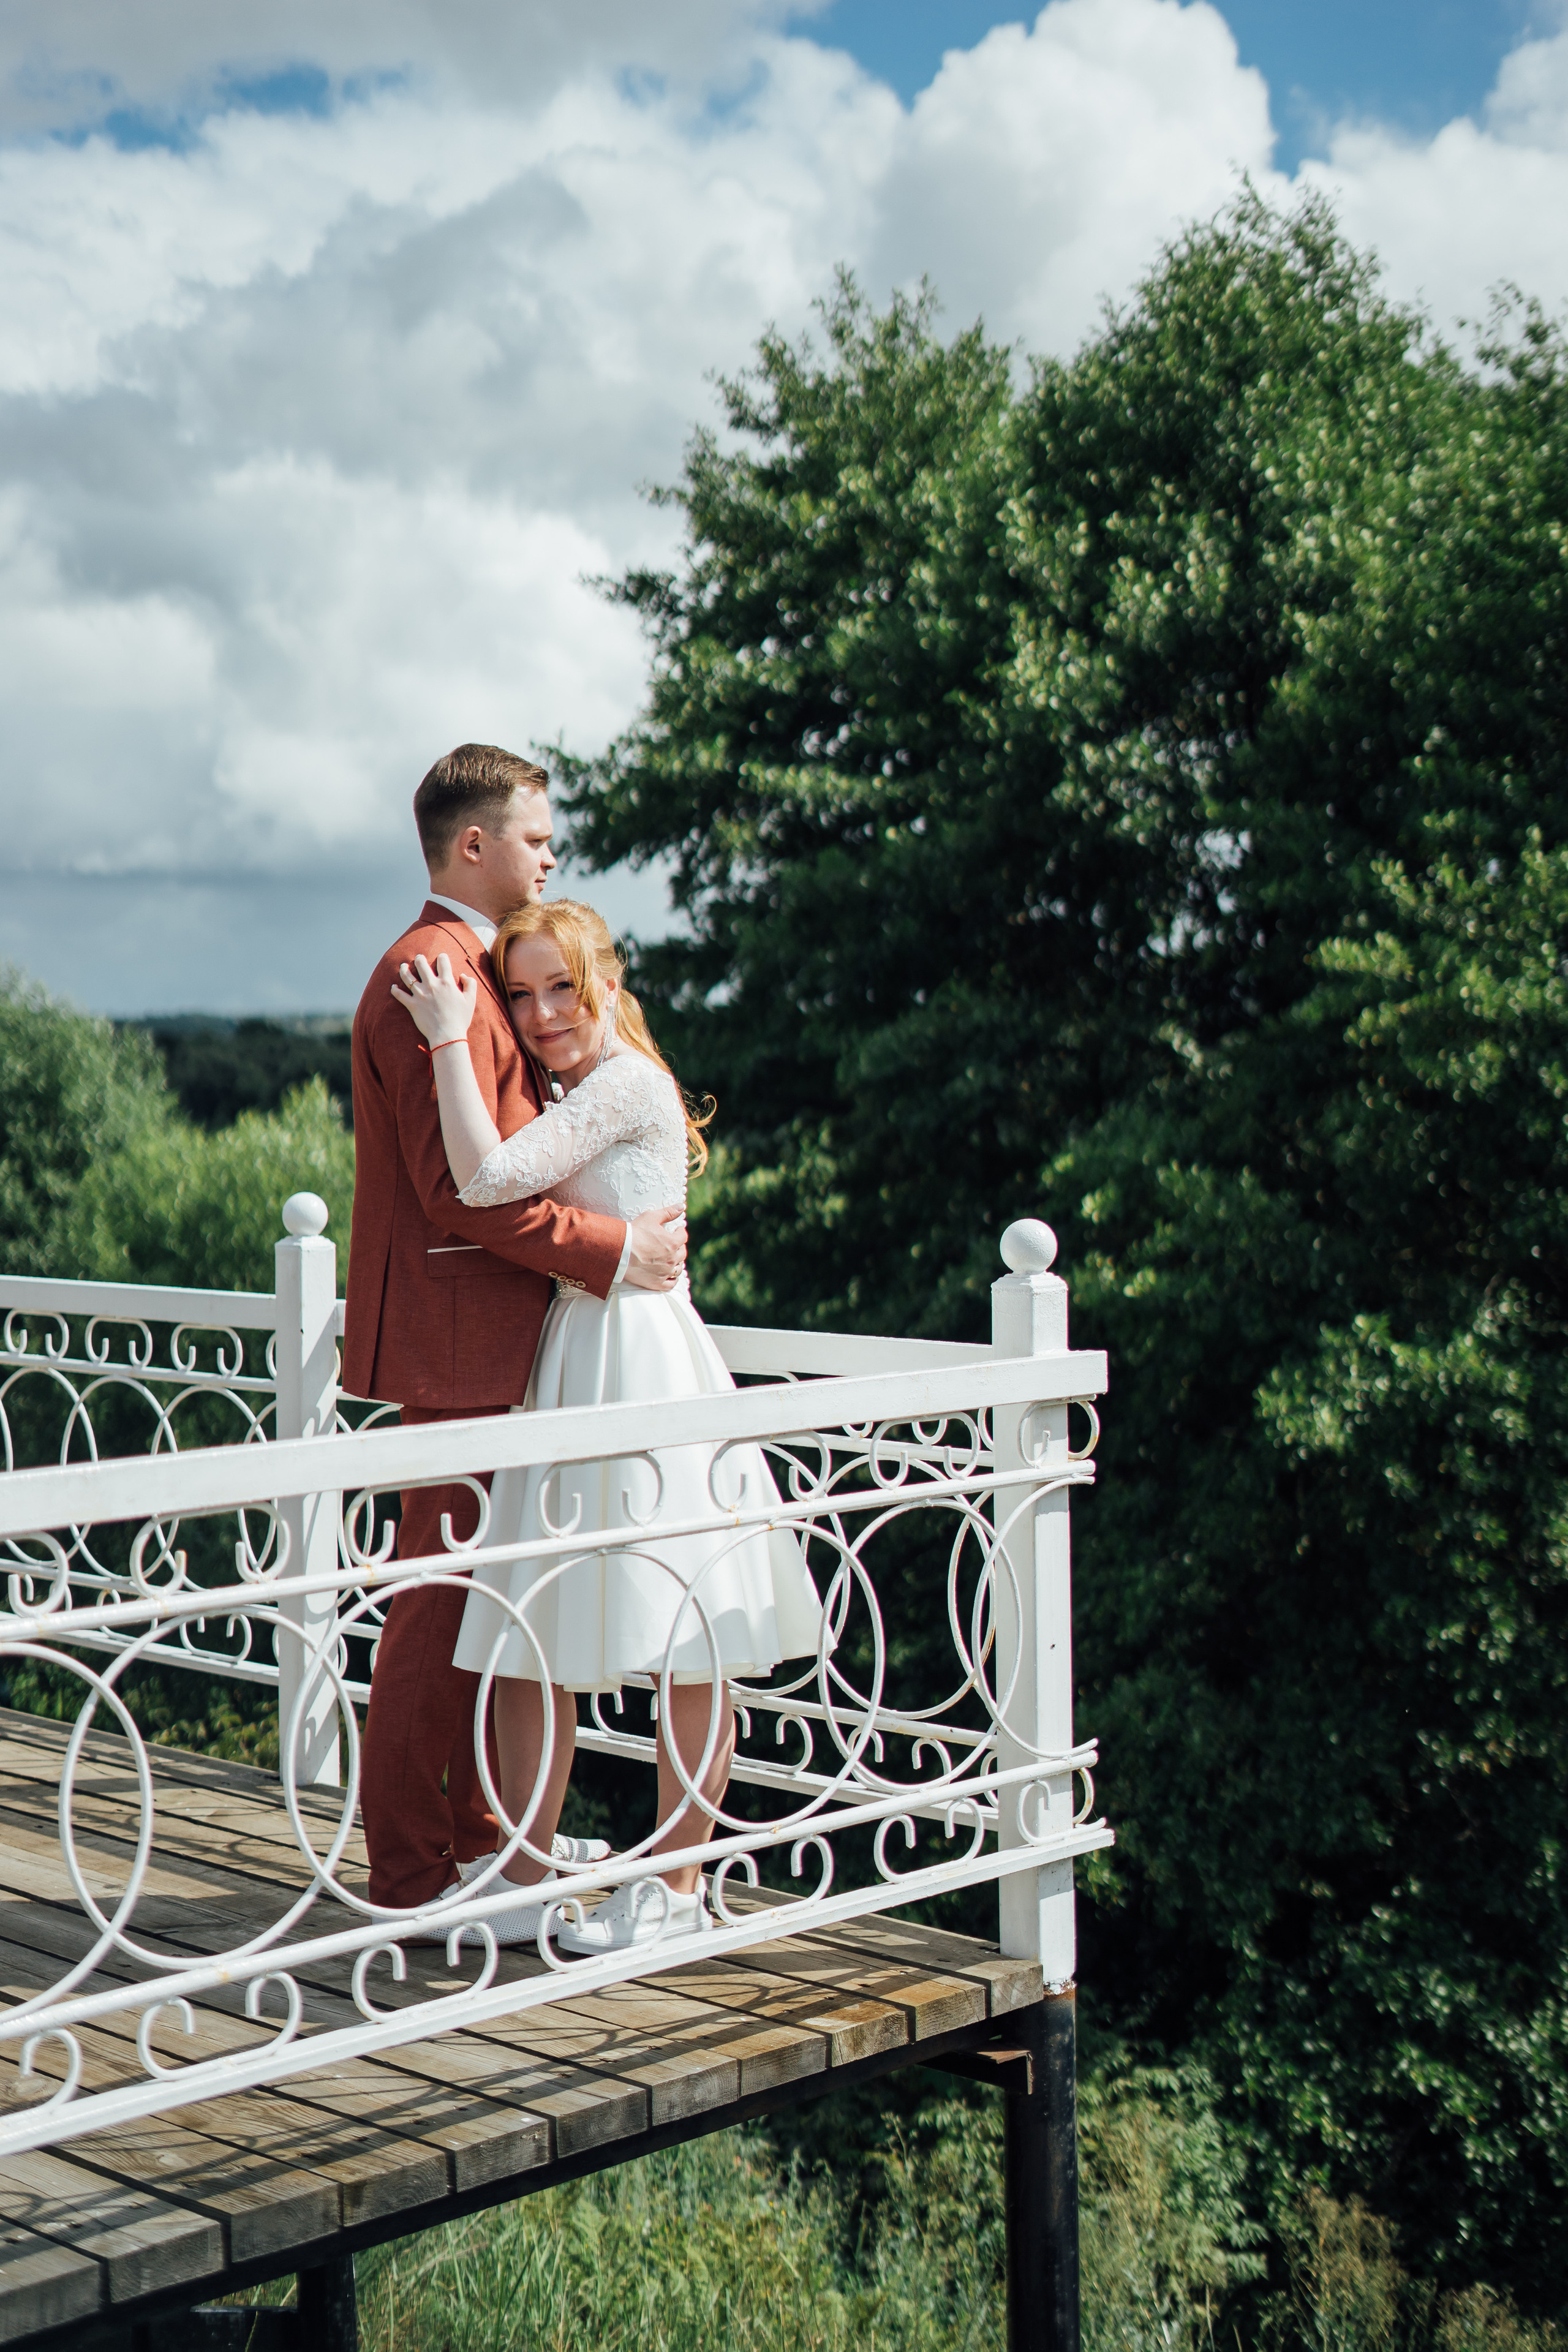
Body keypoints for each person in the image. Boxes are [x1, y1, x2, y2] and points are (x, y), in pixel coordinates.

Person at [390, 899, 827, 1951]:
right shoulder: (574, 1088)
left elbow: (488, 1176)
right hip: (577, 1360)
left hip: (643, 1362)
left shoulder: (628, 1081)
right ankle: (527, 1875)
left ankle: (675, 1884)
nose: (541, 1015)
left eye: (562, 989)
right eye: (523, 993)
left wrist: (451, 1039)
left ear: (609, 986)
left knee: (687, 1628)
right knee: (534, 1626)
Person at [344, 745, 687, 1915]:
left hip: (512, 1346)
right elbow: (456, 1191)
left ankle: (494, 1844)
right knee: (437, 1608)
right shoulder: (424, 973)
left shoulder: (477, 968)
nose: (553, 854)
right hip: (458, 1346)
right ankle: (408, 1875)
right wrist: (613, 1251)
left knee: (495, 1607)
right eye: (537, 837)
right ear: (475, 845)